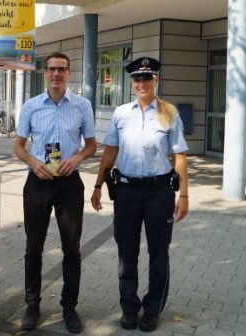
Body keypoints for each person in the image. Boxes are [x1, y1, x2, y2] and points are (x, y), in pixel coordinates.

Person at [91, 56, 190, 332]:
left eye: (147, 78)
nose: (142, 83)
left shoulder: (169, 112)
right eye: (137, 78)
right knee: (127, 252)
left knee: (159, 252)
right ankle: (129, 307)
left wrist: (184, 195)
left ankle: (153, 308)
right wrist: (98, 185)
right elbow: (110, 150)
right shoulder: (121, 113)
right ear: (131, 82)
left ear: (156, 80)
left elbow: (179, 157)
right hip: (127, 192)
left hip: (159, 192)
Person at [14, 52, 97, 334]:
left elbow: (91, 145)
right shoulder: (31, 106)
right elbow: (19, 147)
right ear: (45, 73)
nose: (56, 74)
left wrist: (78, 158)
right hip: (38, 183)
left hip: (69, 183)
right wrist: (33, 162)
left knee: (71, 248)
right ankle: (32, 305)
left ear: (69, 73)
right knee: (33, 248)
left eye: (61, 69)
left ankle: (69, 307)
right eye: (51, 69)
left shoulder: (82, 105)